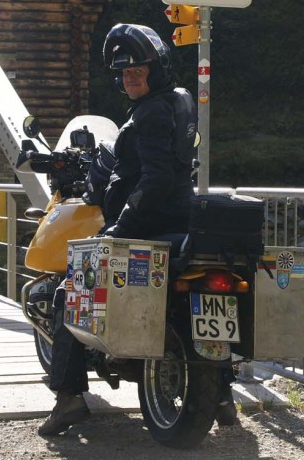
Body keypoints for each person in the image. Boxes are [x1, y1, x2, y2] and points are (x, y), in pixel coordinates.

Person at [38, 22, 202, 436]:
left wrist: (120, 226)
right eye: (125, 73)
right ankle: (220, 396)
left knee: (67, 292)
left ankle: (69, 399)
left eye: (138, 71)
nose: (130, 78)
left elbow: (156, 178)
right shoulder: (180, 102)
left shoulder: (148, 113)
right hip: (181, 223)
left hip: (146, 226)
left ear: (156, 69)